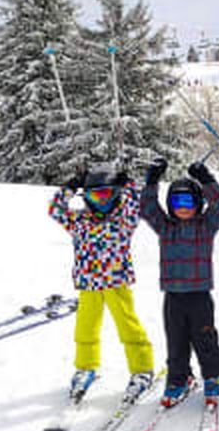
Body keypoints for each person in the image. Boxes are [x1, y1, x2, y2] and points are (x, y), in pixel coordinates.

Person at [48, 166, 155, 402]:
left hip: (117, 283)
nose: (102, 202)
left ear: (116, 195)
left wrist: (127, 184)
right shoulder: (79, 221)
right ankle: (86, 367)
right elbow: (55, 210)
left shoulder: (123, 220)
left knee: (128, 326)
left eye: (107, 195)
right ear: (86, 198)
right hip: (88, 285)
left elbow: (136, 204)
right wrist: (70, 186)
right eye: (95, 196)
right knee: (85, 329)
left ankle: (142, 369)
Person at [140, 158, 219, 408]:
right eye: (177, 202)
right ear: (169, 205)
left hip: (199, 295)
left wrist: (206, 179)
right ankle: (179, 379)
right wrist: (152, 181)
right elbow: (147, 208)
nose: (183, 208)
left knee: (205, 339)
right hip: (173, 297)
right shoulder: (165, 227)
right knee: (176, 341)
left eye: (188, 201)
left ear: (198, 203)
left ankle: (212, 377)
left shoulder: (206, 226)